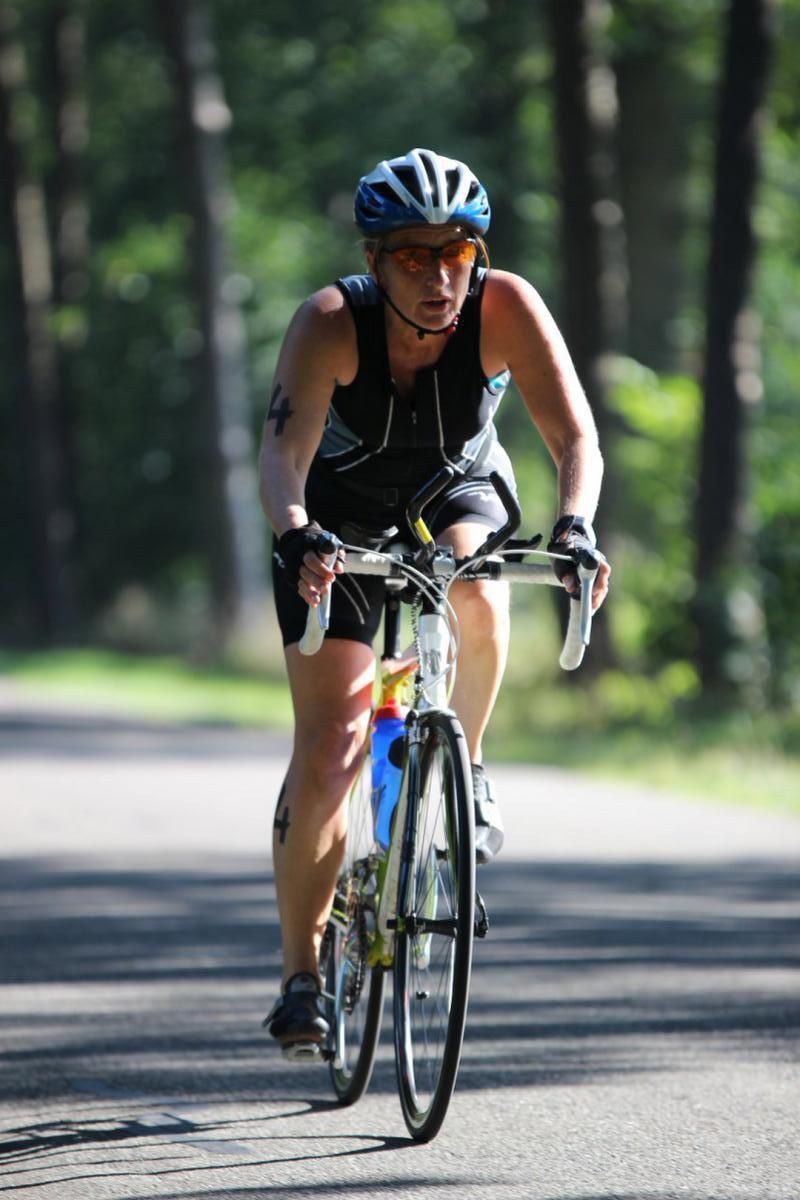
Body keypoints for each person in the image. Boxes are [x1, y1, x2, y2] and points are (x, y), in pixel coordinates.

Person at [259, 148, 611, 1058]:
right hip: (336, 513)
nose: (437, 274)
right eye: (411, 255)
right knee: (330, 748)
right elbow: (284, 455)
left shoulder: (507, 305)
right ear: (375, 260)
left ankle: (466, 763)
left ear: (478, 254)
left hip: (455, 491)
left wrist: (575, 527)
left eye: (455, 252)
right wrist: (296, 531)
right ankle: (303, 973)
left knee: (478, 590)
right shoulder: (333, 322)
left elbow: (575, 436)